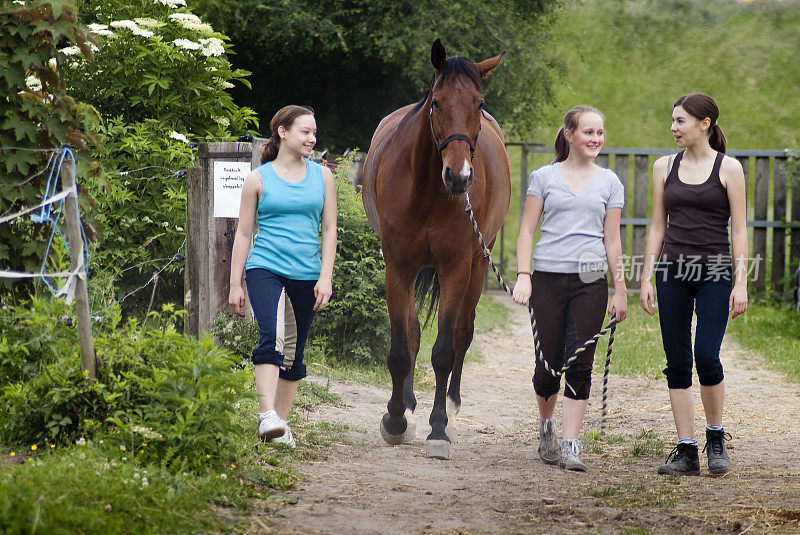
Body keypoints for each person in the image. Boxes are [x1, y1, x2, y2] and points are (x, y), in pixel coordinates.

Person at [513, 105, 627, 471]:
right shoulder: (544, 177)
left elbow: (612, 241)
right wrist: (523, 274)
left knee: (580, 364)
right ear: (569, 134)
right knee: (546, 367)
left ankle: (571, 444)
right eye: (588, 132)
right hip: (547, 278)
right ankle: (546, 425)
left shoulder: (610, 182)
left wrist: (620, 289)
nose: (596, 139)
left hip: (591, 282)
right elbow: (527, 230)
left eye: (600, 133)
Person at [640, 93, 747, 475]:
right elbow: (657, 225)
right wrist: (647, 276)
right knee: (678, 362)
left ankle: (715, 436)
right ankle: (686, 450)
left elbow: (740, 230)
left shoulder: (729, 168)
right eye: (672, 120)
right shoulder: (663, 166)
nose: (673, 127)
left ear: (705, 124)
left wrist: (742, 283)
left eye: (680, 121)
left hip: (716, 273)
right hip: (672, 273)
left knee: (706, 355)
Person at [228, 105, 337, 447]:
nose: (312, 139)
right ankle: (266, 415)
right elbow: (244, 234)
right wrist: (235, 284)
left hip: (307, 272)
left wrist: (326, 276)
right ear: (283, 132)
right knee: (272, 337)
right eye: (305, 132)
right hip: (265, 268)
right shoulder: (257, 179)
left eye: (314, 133)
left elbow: (330, 229)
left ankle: (280, 427)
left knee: (295, 351)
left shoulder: (323, 177)